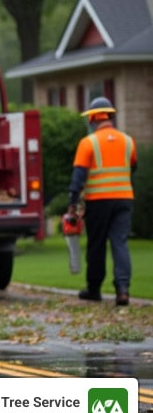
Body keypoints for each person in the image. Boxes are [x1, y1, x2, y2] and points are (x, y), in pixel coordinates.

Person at [68, 97, 137, 306]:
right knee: (120, 243)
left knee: (96, 245)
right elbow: (132, 167)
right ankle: (123, 290)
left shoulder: (87, 143)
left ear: (92, 119)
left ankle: (94, 289)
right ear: (111, 117)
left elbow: (78, 178)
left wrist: (73, 203)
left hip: (98, 200)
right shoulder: (128, 140)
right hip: (124, 198)